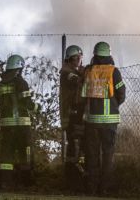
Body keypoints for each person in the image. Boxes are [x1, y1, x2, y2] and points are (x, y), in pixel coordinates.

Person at [81, 42, 126, 194]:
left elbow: (83, 95)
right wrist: (113, 105)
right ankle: (104, 189)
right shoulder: (114, 71)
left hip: (91, 121)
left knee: (92, 155)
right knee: (108, 155)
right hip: (109, 122)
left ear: (95, 55)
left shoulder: (88, 71)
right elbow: (121, 94)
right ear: (109, 55)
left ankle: (91, 189)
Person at [0, 54, 37, 187]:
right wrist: (36, 107)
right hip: (21, 124)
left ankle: (5, 182)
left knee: (7, 154)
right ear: (19, 67)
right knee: (25, 152)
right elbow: (27, 103)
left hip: (6, 125)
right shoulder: (21, 82)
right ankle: (26, 182)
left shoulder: (1, 83)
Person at [59, 45, 86, 190]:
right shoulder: (67, 73)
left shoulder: (70, 71)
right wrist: (87, 72)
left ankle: (72, 180)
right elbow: (80, 82)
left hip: (74, 115)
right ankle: (72, 181)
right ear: (73, 58)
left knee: (75, 147)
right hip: (72, 116)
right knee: (75, 147)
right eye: (79, 58)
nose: (81, 61)